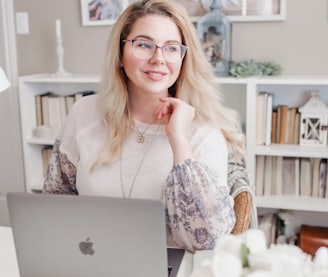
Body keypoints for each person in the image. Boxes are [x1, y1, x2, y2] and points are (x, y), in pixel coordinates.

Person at [43, 0, 246, 253]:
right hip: (91, 260)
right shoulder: (83, 113)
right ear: (119, 55)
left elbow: (206, 240)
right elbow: (57, 197)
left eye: (171, 48)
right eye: (143, 44)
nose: (158, 58)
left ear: (183, 59)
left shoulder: (204, 132)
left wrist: (178, 139)